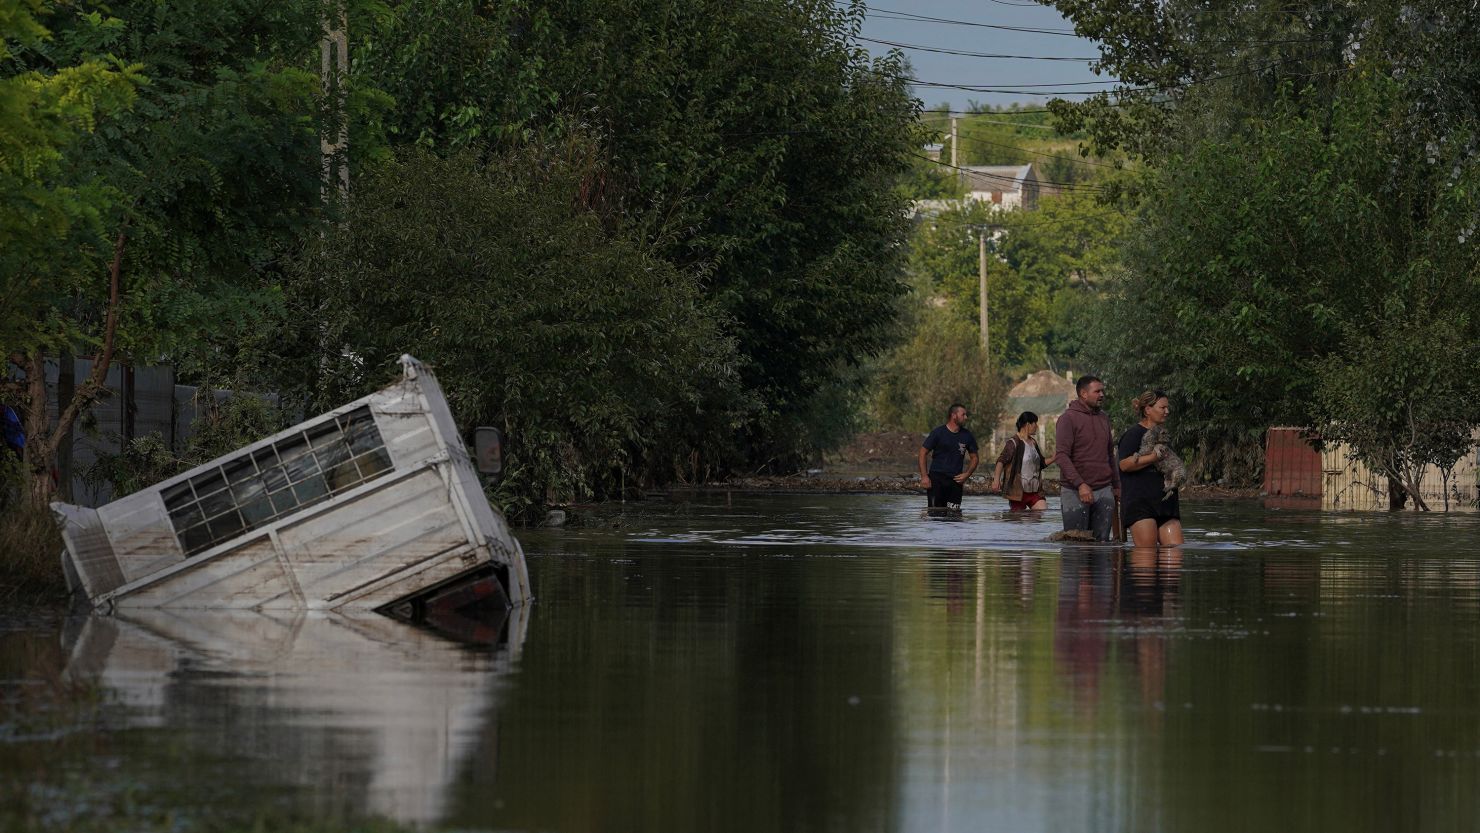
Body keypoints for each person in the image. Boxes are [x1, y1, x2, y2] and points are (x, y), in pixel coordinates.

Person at [1054, 375, 1120, 541]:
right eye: (1097, 391)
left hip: (1104, 490)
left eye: (1102, 391)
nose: (1102, 394)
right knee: (1076, 544)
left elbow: (1110, 455)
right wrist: (1081, 484)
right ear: (1083, 393)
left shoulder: (1104, 418)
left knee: (1102, 545)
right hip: (1074, 490)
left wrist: (1117, 485)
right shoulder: (1067, 419)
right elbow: (1061, 457)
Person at [1118, 390, 1185, 548]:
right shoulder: (1133, 434)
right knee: (1146, 559)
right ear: (1148, 410)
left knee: (1174, 559)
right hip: (1141, 505)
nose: (1167, 412)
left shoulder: (1163, 434)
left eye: (1167, 408)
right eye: (1162, 408)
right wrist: (1153, 458)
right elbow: (1124, 465)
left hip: (1167, 504)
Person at [989, 411, 1060, 511]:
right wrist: (996, 480)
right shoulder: (1013, 443)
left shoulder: (1034, 442)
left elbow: (1041, 463)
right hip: (1018, 493)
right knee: (1019, 522)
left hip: (1035, 492)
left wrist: (1053, 458)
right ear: (1027, 424)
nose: (1037, 426)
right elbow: (1001, 461)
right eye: (1035, 423)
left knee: (1042, 512)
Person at [918, 403, 979, 512]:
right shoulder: (938, 433)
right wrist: (924, 476)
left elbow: (974, 458)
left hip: (956, 481)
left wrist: (967, 474)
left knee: (954, 516)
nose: (966, 417)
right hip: (936, 480)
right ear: (954, 415)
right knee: (935, 515)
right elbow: (923, 452)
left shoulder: (967, 435)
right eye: (963, 414)